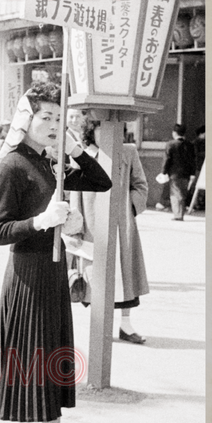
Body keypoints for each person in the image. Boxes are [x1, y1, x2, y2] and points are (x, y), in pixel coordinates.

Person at [0, 83, 112, 423]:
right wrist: (41, 221)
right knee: (13, 356)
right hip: (26, 273)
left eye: (58, 117)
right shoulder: (11, 165)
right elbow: (0, 231)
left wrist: (72, 149)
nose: (53, 124)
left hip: (53, 270)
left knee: (45, 356)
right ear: (26, 118)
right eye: (45, 116)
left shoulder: (51, 162)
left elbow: (102, 182)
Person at [68, 119, 150, 344]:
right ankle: (99, 328)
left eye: (112, 128)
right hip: (92, 227)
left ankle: (126, 325)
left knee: (126, 275)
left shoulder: (128, 152)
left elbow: (141, 185)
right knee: (96, 278)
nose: (106, 134)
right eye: (99, 128)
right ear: (90, 131)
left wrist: (129, 209)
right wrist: (76, 227)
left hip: (122, 227)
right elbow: (74, 193)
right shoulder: (82, 156)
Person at [161, 123, 196, 221]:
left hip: (174, 174)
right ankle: (181, 213)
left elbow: (167, 159)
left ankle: (178, 215)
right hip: (186, 174)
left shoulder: (170, 144)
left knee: (175, 194)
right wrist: (193, 173)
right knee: (182, 193)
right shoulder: (190, 145)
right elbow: (193, 160)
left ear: (174, 133)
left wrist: (163, 171)